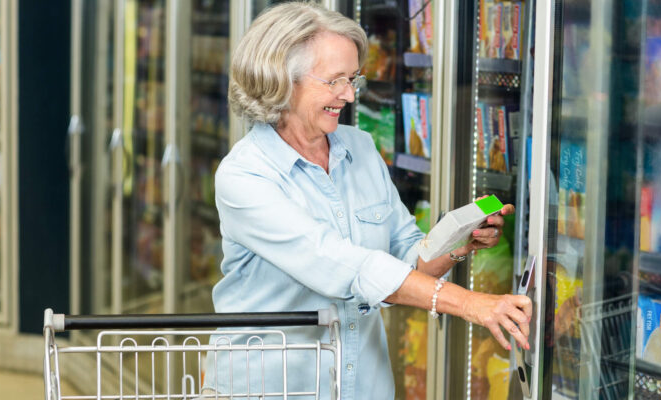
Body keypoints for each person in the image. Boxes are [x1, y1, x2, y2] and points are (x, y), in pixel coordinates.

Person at [202, 3, 532, 399]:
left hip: (361, 385)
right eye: (333, 81)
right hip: (273, 387)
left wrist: (459, 244)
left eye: (353, 79)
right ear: (280, 80)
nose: (348, 95)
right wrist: (470, 304)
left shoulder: (359, 147)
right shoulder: (244, 176)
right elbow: (341, 266)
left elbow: (408, 257)